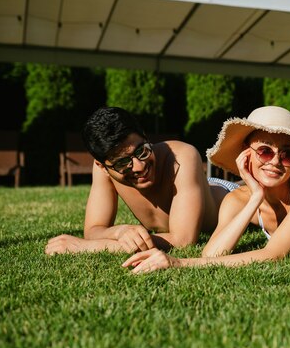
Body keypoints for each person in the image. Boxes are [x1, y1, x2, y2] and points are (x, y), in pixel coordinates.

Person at [122, 106, 290, 273]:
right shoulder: (238, 199)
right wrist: (255, 196)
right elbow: (213, 254)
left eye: (287, 154)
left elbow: (274, 255)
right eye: (265, 151)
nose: (276, 161)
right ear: (246, 155)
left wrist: (179, 263)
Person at [45, 107, 238, 255]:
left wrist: (87, 247)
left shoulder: (182, 157)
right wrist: (121, 231)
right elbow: (94, 229)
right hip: (199, 186)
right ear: (103, 166)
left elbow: (184, 240)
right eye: (122, 163)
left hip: (225, 193)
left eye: (140, 151)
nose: (138, 166)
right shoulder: (102, 171)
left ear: (145, 136)